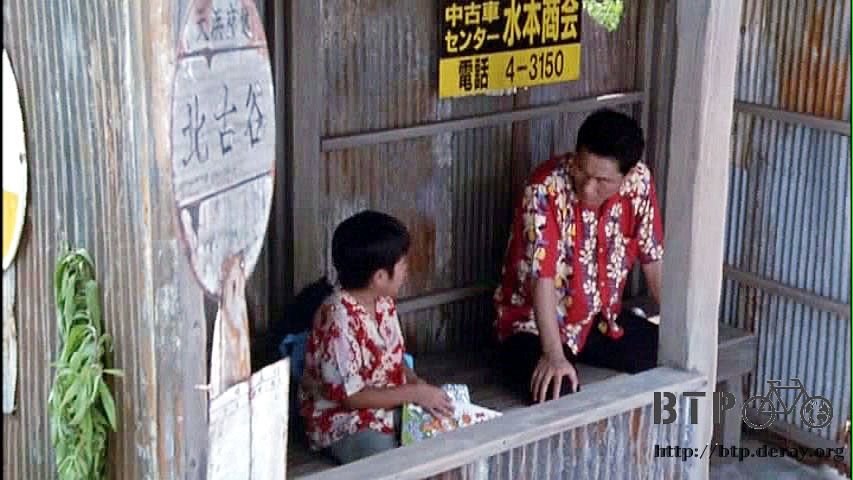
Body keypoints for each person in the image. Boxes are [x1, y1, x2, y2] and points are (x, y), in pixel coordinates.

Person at [494, 109, 664, 404]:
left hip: (599, 320)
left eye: (602, 181)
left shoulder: (640, 184)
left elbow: (654, 261)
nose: (587, 187)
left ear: (627, 175)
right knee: (558, 392)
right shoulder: (545, 189)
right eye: (581, 171)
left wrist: (680, 333)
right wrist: (553, 356)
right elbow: (542, 278)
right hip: (534, 327)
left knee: (671, 355)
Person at [299, 210, 454, 464]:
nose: (406, 270)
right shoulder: (337, 317)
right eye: (402, 264)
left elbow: (395, 359)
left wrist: (416, 382)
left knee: (443, 425)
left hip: (389, 400)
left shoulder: (382, 302)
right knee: (386, 456)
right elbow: (351, 397)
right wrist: (415, 393)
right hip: (342, 417)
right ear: (379, 277)